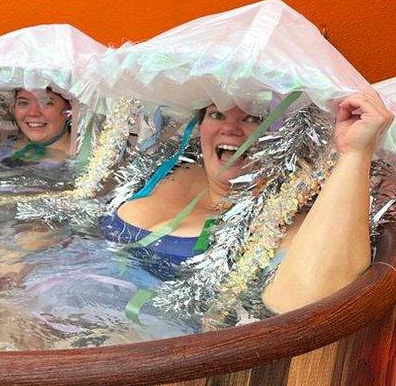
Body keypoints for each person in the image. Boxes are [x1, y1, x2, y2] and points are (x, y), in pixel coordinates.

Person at [111, 90, 393, 313]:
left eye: (253, 118)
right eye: (217, 114)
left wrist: (355, 152)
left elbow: (301, 307)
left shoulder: (290, 225)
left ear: (284, 136)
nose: (230, 129)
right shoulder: (166, 170)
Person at [0, 88, 75, 165]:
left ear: (69, 110)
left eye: (46, 103)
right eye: (23, 103)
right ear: (13, 108)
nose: (33, 113)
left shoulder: (84, 159)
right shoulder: (2, 144)